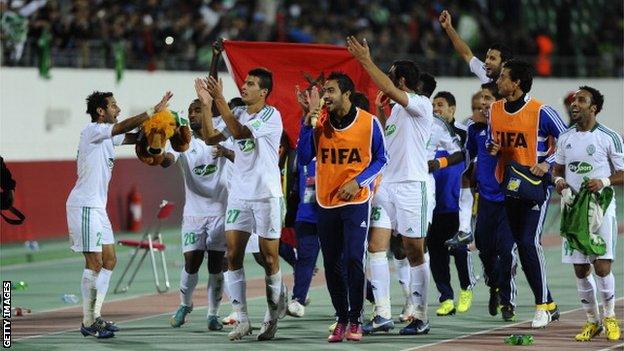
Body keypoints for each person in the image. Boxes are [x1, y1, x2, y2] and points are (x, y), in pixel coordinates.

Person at [66, 90, 172, 338]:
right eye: (113, 106)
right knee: (94, 264)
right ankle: (88, 321)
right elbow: (122, 127)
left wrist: (162, 128)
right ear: (101, 111)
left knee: (110, 260)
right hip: (84, 206)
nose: (118, 109)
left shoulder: (106, 137)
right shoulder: (93, 130)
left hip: (97, 208)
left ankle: (96, 316)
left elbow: (135, 137)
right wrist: (151, 111)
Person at [346, 36, 431, 336]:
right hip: (387, 188)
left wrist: (365, 61)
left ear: (401, 80)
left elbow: (387, 88)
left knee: (413, 250)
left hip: (411, 186)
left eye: (391, 73)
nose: (387, 80)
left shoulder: (421, 104)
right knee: (375, 248)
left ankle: (420, 314)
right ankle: (382, 313)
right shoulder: (394, 113)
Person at [298, 71, 387, 342]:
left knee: (352, 258)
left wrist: (359, 182)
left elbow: (382, 159)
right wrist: (307, 121)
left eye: (331, 91)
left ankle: (357, 318)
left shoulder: (369, 123)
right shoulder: (320, 123)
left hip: (356, 201)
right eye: (324, 91)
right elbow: (303, 157)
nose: (326, 96)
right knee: (332, 263)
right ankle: (341, 318)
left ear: (347, 94)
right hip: (325, 201)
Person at [202, 68, 288, 341]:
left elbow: (240, 134)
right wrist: (207, 105)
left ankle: (272, 315)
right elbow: (210, 138)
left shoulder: (271, 115)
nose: (245, 86)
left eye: (251, 84)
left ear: (263, 92)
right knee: (232, 256)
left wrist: (219, 100)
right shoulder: (238, 112)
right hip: (239, 195)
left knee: (269, 258)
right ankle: (241, 319)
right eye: (245, 82)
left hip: (266, 195)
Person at [487, 59, 567, 328]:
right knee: (517, 246)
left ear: (516, 83)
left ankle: (542, 306)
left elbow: (567, 139)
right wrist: (493, 148)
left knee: (530, 242)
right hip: (508, 185)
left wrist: (547, 162)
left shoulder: (541, 110)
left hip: (535, 188)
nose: (497, 82)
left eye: (502, 78)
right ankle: (550, 303)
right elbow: (491, 140)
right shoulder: (495, 109)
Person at [552, 86, 622, 341]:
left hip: (601, 208)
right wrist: (559, 182)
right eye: (573, 100)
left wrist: (603, 181)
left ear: (594, 108)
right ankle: (593, 321)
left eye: (582, 100)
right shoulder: (565, 137)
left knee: (602, 266)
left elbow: (623, 172)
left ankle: (611, 317)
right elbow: (557, 169)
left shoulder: (608, 137)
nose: (575, 103)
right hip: (573, 210)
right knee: (581, 269)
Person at [163, 83, 232, 331]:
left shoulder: (221, 135)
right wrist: (156, 153)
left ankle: (213, 314)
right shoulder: (182, 141)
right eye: (189, 111)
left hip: (219, 213)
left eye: (196, 110)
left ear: (207, 112)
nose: (191, 114)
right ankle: (185, 304)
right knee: (191, 262)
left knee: (216, 265)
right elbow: (167, 160)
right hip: (193, 214)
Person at [467, 82, 518, 321]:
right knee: (485, 249)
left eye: (488, 98)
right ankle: (494, 285)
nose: (484, 103)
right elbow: (468, 158)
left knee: (506, 252)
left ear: (498, 103)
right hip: (485, 199)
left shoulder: (511, 127)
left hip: (508, 199)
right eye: (481, 101)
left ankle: (508, 302)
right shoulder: (475, 131)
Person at [428, 91, 477, 316]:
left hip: (456, 202)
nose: (436, 109)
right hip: (432, 203)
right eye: (433, 105)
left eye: (440, 105)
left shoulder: (464, 134)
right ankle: (446, 297)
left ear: (452, 109)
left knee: (458, 249)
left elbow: (471, 163)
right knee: (436, 253)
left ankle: (466, 288)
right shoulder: (426, 131)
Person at [439, 10, 512, 84]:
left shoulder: (517, 85)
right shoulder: (485, 72)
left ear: (504, 63)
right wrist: (448, 27)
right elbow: (466, 53)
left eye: (492, 59)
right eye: (487, 57)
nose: (486, 62)